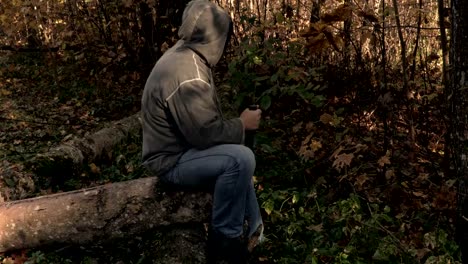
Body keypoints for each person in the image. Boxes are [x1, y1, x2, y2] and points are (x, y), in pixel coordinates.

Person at [141, 0, 264, 263]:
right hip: (170, 161)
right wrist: (243, 124)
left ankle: (254, 232)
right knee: (240, 159)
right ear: (215, 37)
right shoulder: (188, 72)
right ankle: (225, 243)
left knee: (238, 158)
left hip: (182, 151)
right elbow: (204, 135)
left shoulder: (185, 54)